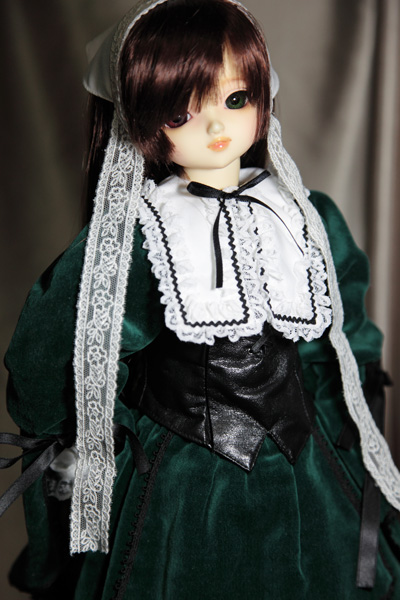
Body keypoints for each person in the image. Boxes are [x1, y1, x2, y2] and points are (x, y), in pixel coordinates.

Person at [2, 0, 400, 598]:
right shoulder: (139, 234)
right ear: (141, 120)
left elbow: (342, 340)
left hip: (308, 469)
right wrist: (104, 443)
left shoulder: (305, 217)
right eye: (182, 113)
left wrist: (345, 428)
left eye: (236, 99)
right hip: (186, 484)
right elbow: (53, 354)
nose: (217, 128)